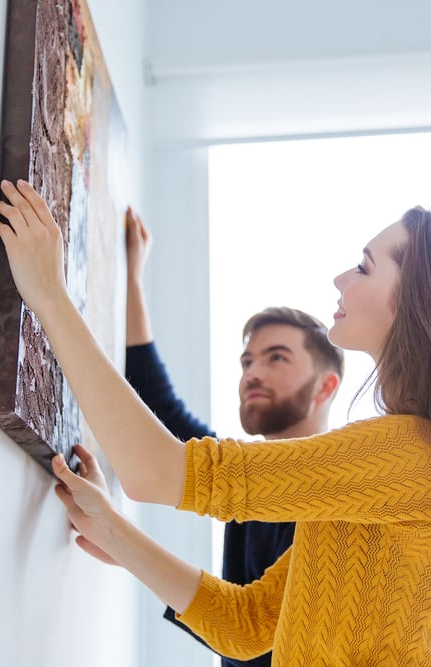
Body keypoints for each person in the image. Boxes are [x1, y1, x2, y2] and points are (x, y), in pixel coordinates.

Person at [0, 180, 431, 666]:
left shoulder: (408, 455)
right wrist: (114, 530)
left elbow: (154, 472)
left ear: (423, 300)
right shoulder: (400, 461)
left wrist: (49, 295)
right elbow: (245, 624)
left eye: (364, 267)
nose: (340, 280)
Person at [122, 208, 344, 667]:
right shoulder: (245, 478)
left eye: (276, 358)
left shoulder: (336, 499)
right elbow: (160, 410)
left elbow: (252, 635)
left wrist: (123, 544)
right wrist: (133, 278)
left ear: (326, 386)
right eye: (247, 362)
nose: (252, 374)